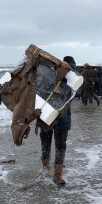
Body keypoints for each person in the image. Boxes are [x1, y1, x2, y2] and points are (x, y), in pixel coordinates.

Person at [36, 56, 77, 186]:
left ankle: (50, 172)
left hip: (50, 115)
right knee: (59, 145)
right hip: (55, 115)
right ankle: (55, 175)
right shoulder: (71, 80)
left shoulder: (48, 77)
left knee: (47, 143)